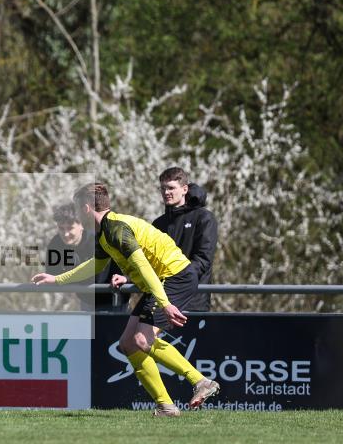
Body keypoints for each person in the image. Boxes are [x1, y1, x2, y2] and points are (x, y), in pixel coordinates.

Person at [32, 183, 220, 417]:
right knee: (128, 344)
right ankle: (166, 406)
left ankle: (201, 381)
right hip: (160, 282)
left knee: (142, 339)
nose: (78, 213)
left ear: (87, 208)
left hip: (175, 276)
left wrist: (164, 303)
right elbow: (95, 265)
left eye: (79, 209)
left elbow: (143, 266)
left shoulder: (116, 229)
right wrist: (57, 279)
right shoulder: (105, 233)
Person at [152, 167, 217, 311]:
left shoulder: (204, 218)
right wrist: (129, 277)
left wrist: (175, 277)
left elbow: (203, 260)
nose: (166, 192)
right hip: (161, 301)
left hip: (192, 303)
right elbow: (150, 262)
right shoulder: (158, 224)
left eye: (171, 188)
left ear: (184, 189)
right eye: (163, 188)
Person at [45, 202, 127, 312]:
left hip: (113, 298)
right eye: (61, 228)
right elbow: (51, 274)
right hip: (87, 300)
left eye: (70, 228)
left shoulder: (97, 240)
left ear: (81, 225)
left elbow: (95, 279)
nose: (65, 234)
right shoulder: (56, 243)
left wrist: (66, 273)